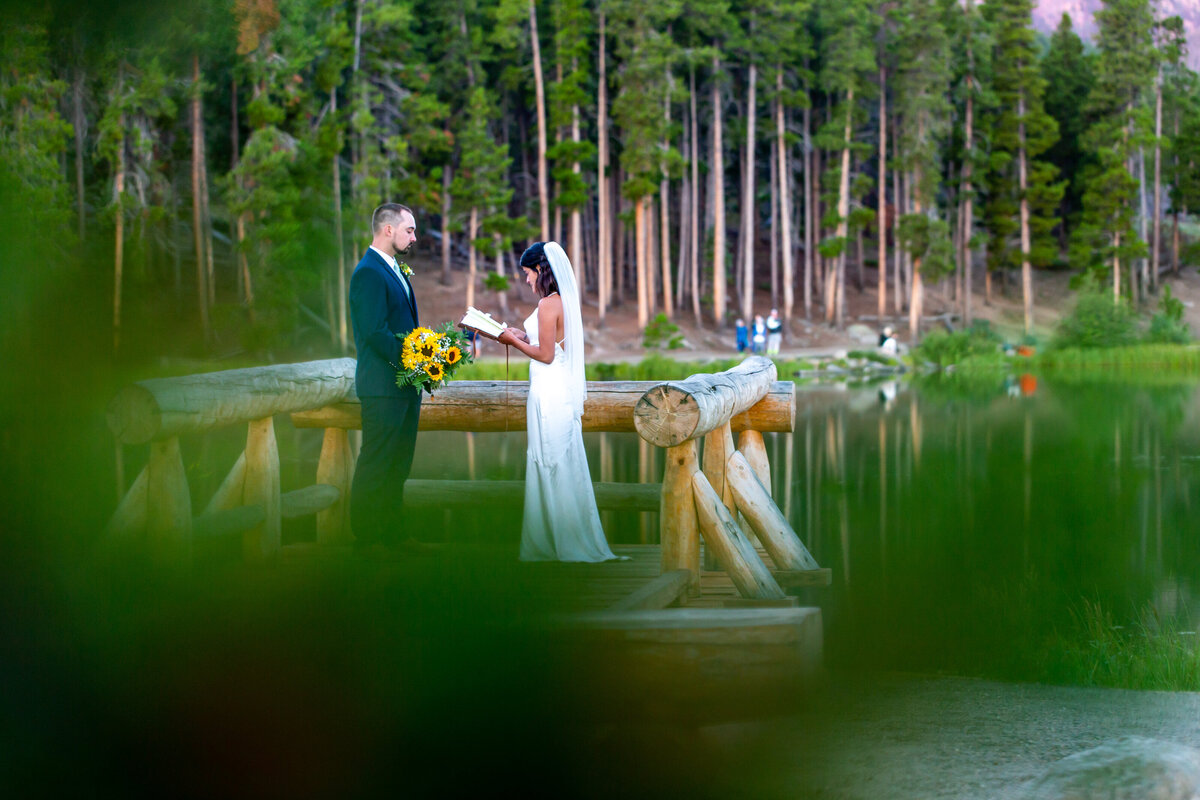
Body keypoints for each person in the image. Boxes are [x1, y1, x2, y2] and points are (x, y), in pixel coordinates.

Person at [497, 242, 627, 562]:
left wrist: (511, 340)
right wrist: (519, 335)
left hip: (549, 389)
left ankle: (557, 544)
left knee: (550, 460)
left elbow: (545, 354)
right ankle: (560, 540)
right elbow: (546, 341)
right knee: (557, 460)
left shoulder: (547, 304)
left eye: (528, 274)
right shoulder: (558, 300)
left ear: (540, 270)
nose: (526, 280)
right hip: (556, 389)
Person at [348, 203, 433, 554]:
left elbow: (403, 326)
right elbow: (374, 332)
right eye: (409, 230)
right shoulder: (368, 272)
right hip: (382, 387)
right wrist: (416, 360)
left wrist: (428, 356)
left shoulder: (396, 268)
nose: (414, 237)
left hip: (404, 387)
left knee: (398, 463)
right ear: (388, 230)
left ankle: (394, 535)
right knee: (376, 462)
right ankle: (367, 541)